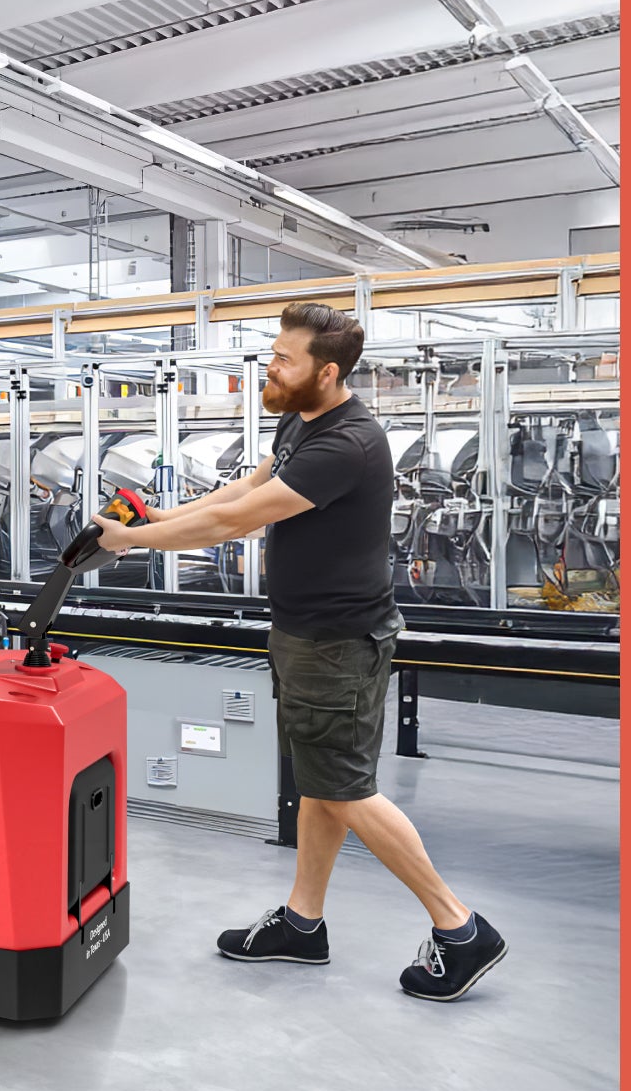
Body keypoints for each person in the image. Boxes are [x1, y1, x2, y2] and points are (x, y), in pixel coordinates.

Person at [94, 300, 507, 1001]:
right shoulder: (303, 419)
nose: (271, 366)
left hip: (336, 644)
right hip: (308, 635)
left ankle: (460, 928)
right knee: (320, 784)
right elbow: (245, 488)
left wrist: (132, 541)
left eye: (285, 359)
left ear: (329, 371)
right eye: (273, 353)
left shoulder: (347, 444)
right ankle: (302, 923)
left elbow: (237, 519)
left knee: (345, 788)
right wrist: (165, 516)